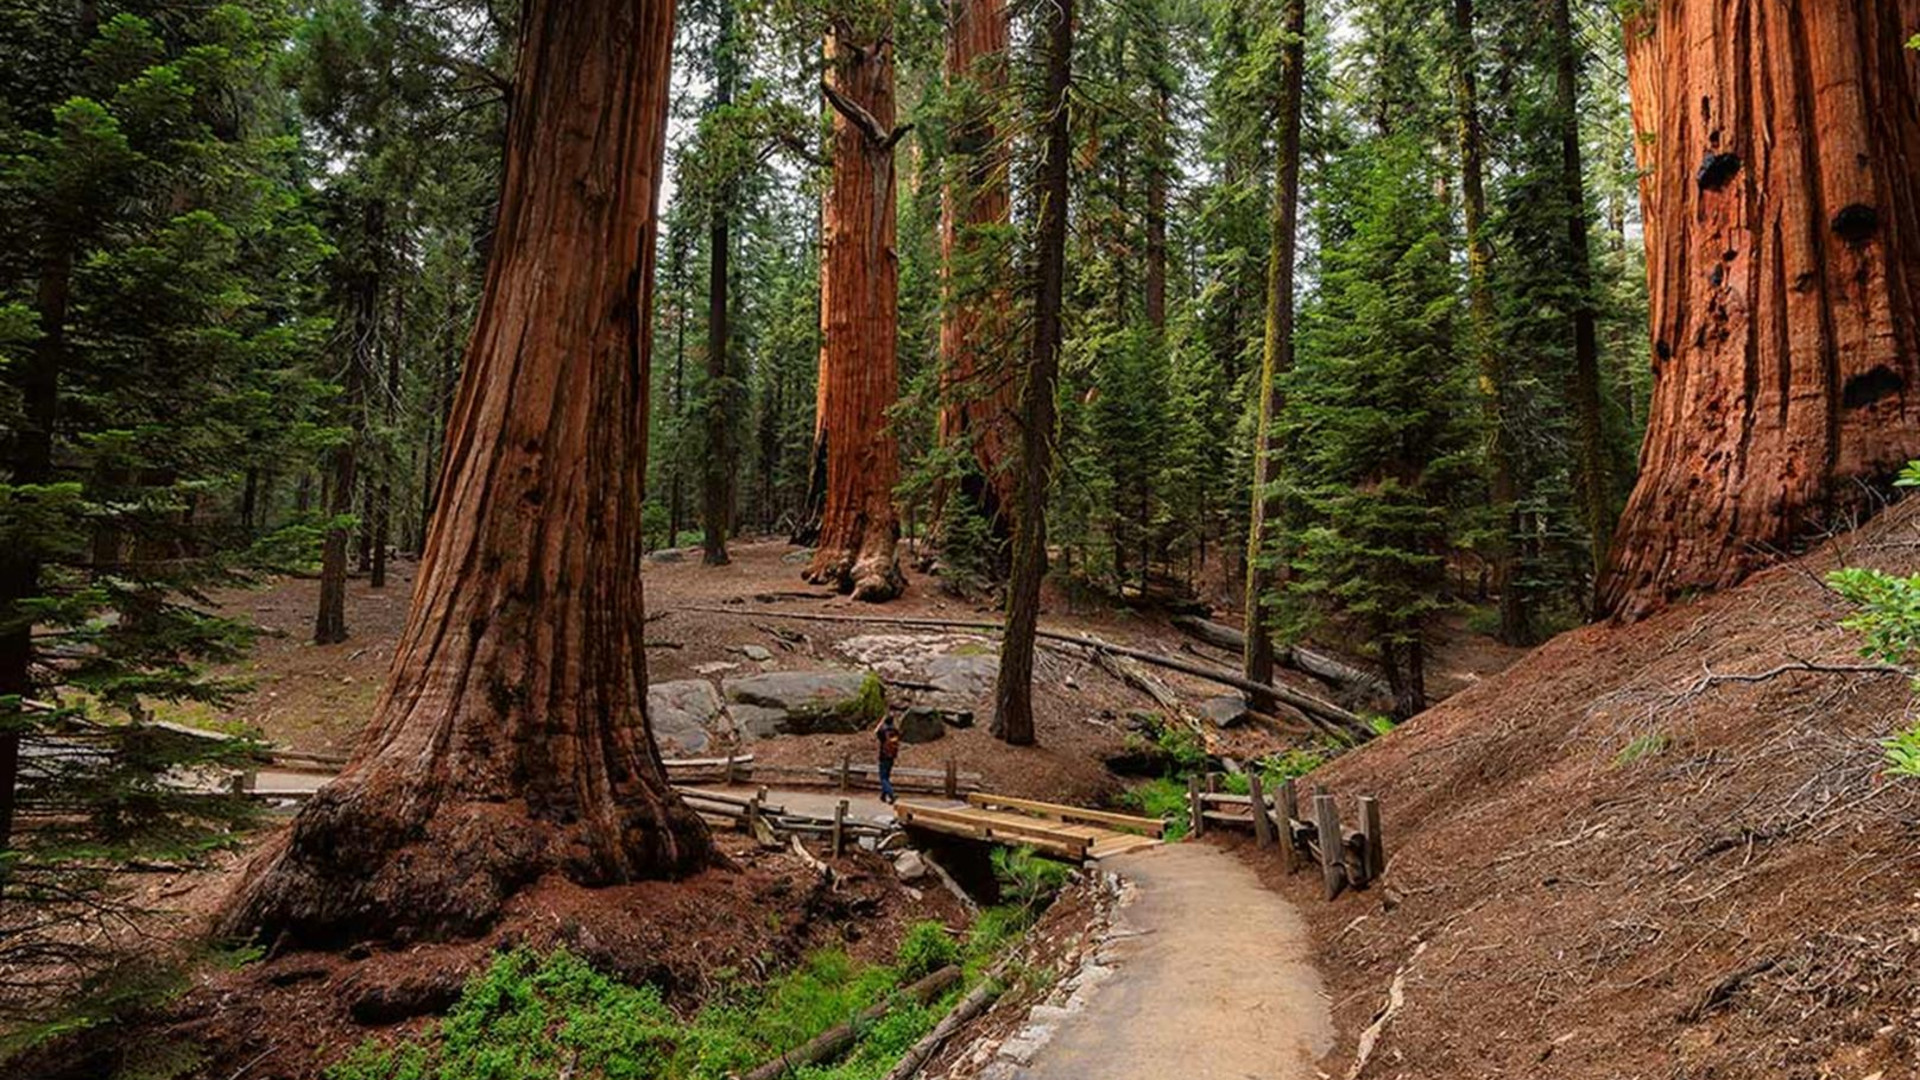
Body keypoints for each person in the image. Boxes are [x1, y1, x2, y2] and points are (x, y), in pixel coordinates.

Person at [875, 714, 902, 804]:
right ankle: (883, 796)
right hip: (892, 756)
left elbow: (876, 732)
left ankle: (891, 794)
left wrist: (881, 722)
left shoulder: (883, 731)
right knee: (886, 777)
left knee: (883, 778)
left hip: (884, 755)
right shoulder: (895, 731)